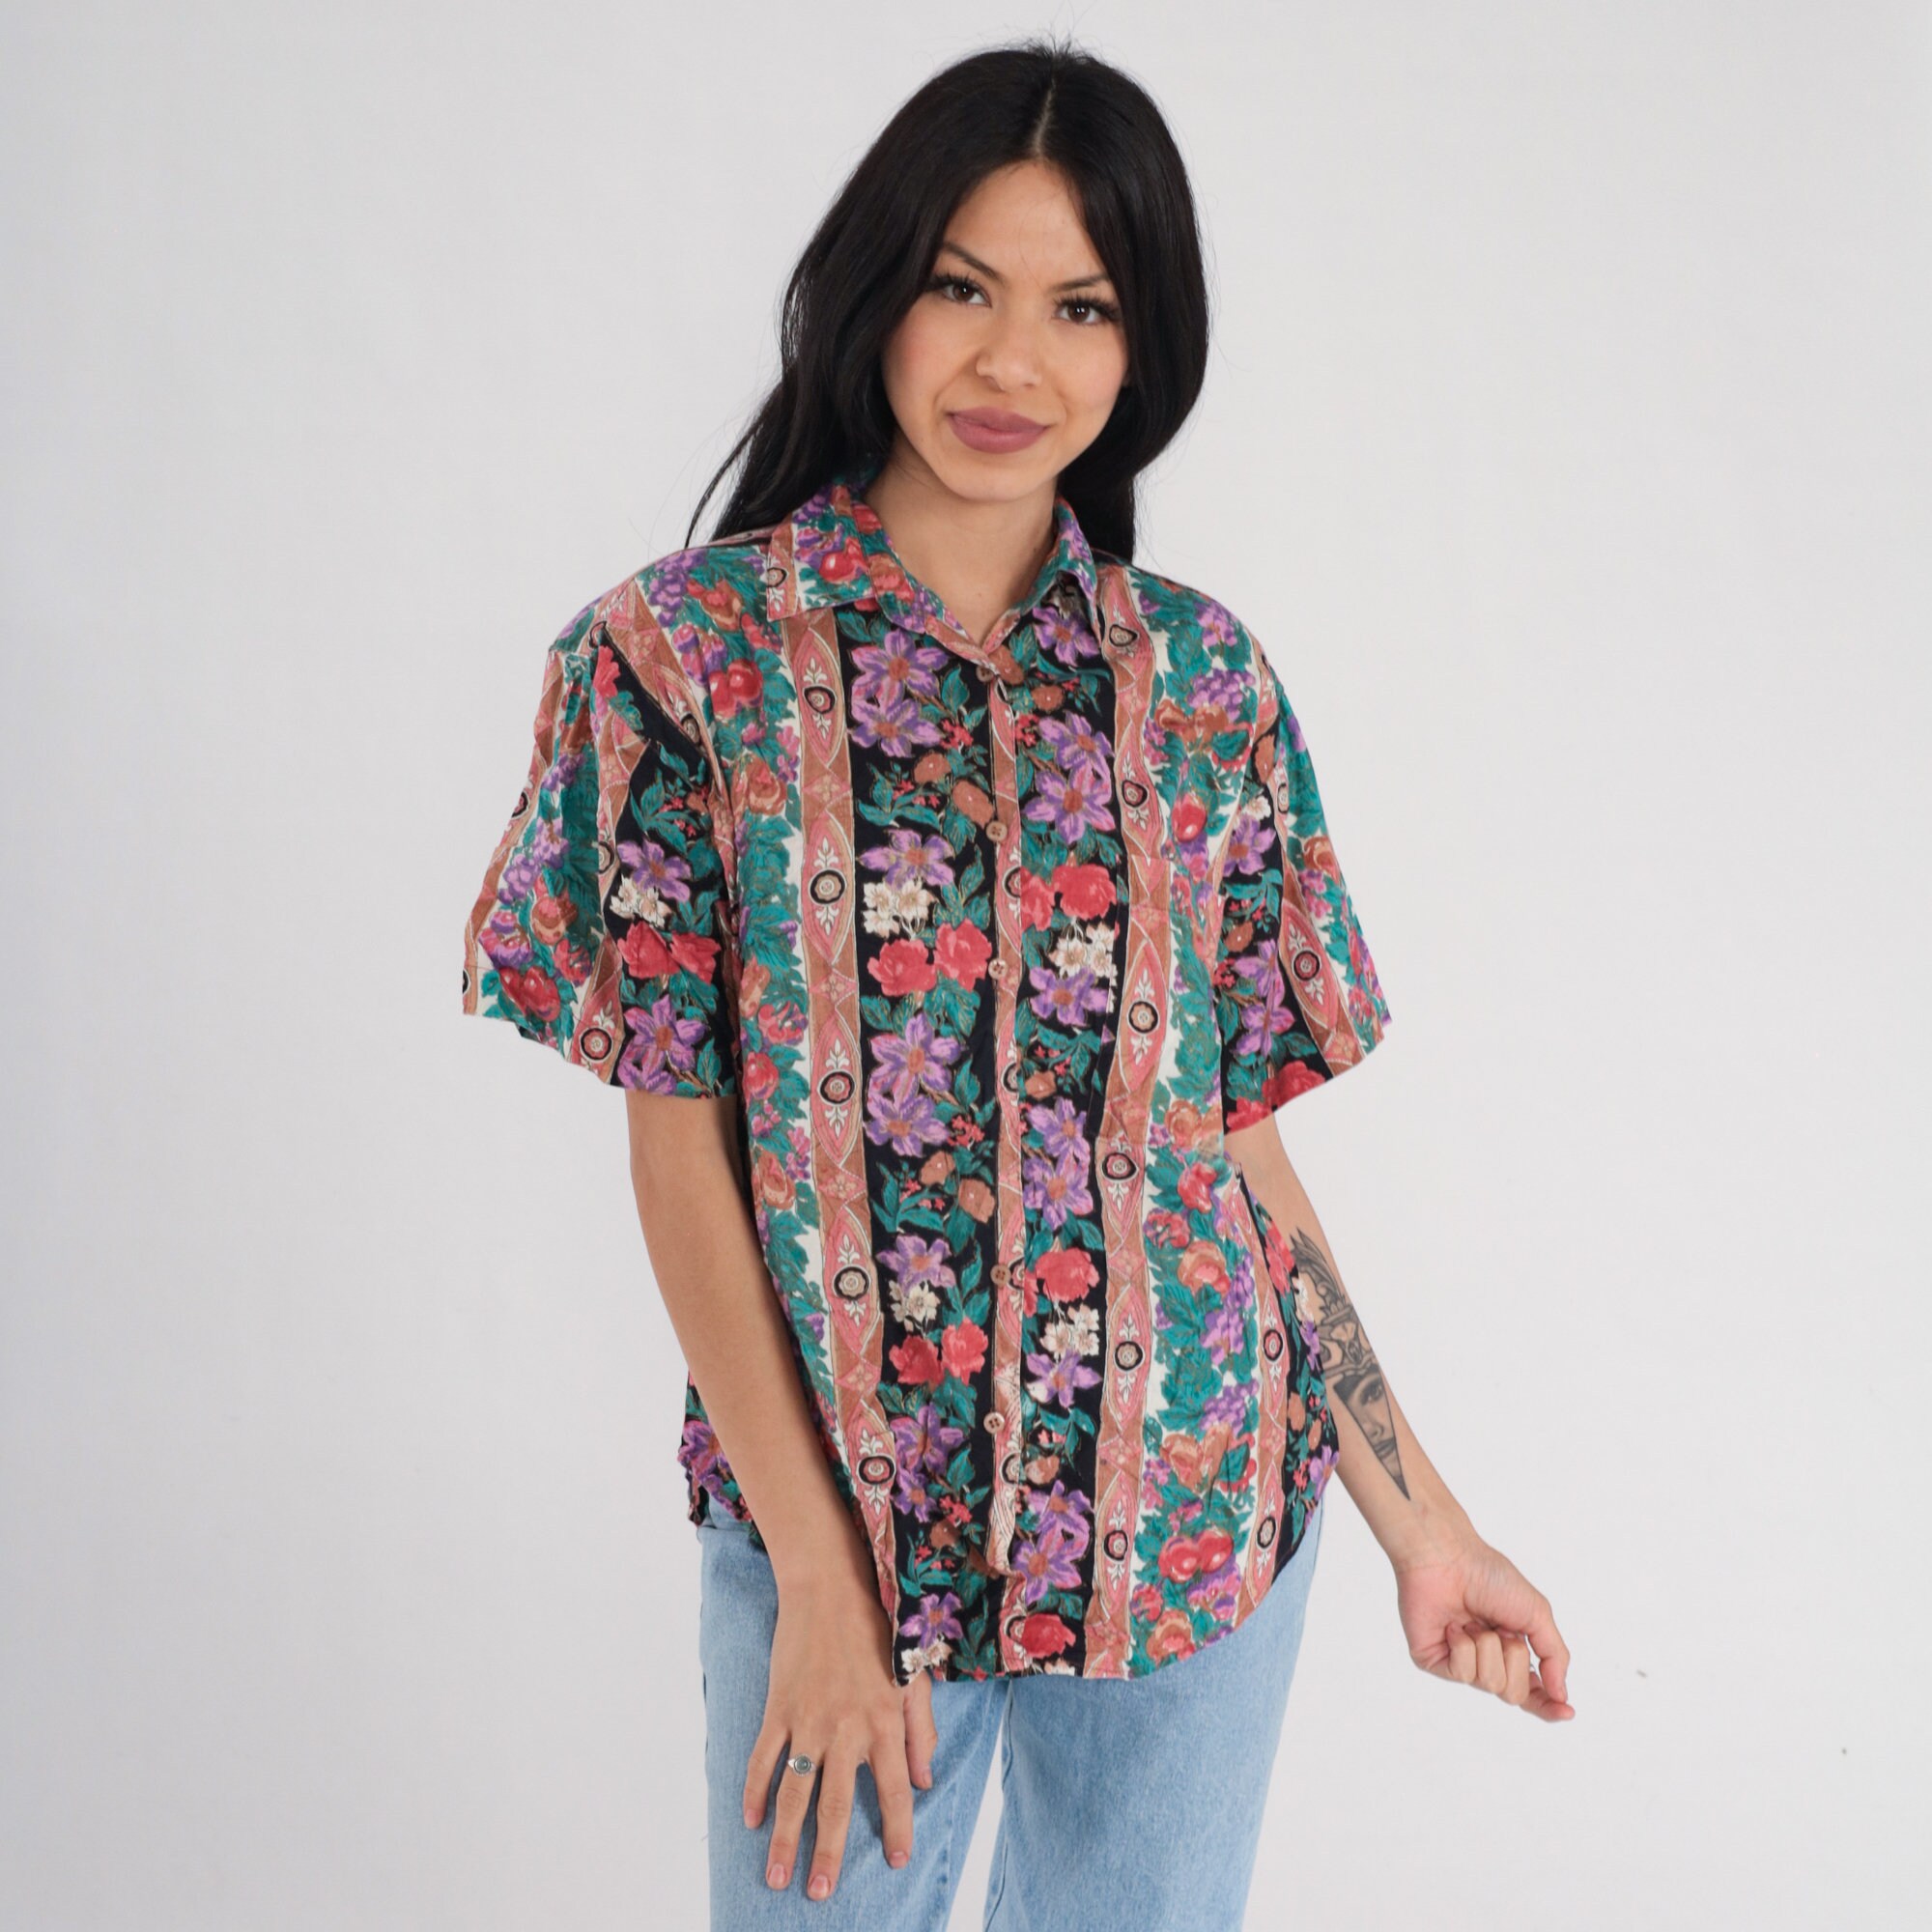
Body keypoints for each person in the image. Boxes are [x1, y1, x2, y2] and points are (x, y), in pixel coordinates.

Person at [458, 35, 1573, 1930]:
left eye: (1082, 307)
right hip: (838, 1549)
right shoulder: (680, 663)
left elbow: (1231, 1148)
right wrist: (825, 1586)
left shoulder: (1202, 685)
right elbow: (680, 1156)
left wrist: (1425, 1519)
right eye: (963, 286)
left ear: (1144, 352)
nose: (1011, 363)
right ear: (875, 292)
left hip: (1193, 1529)